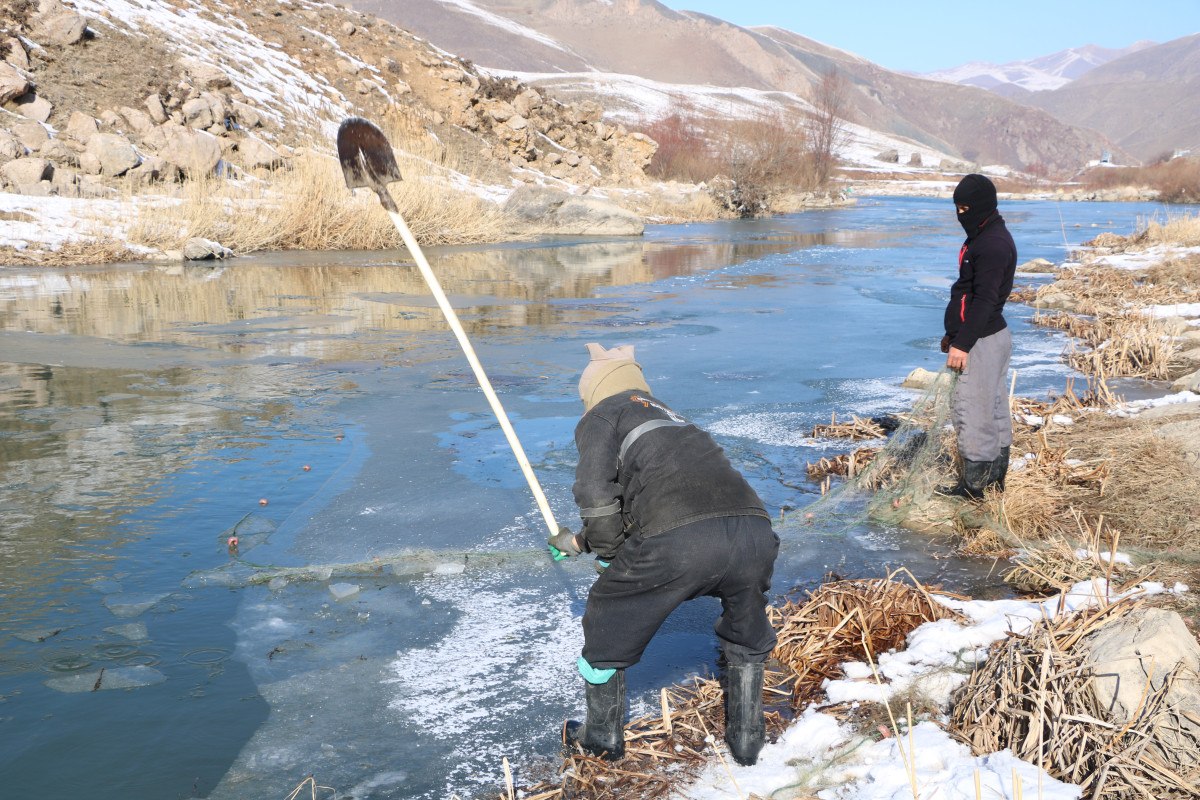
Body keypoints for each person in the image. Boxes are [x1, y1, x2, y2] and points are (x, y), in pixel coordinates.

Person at [548, 343, 780, 766]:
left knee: (607, 609)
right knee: (746, 626)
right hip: (755, 533)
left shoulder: (602, 414)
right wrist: (581, 542)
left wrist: (609, 554)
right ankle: (748, 740)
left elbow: (598, 497)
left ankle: (600, 738)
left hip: (683, 542)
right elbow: (661, 497)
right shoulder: (673, 418)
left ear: (593, 390)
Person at [939, 174, 1018, 498]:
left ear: (982, 206)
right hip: (988, 337)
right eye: (957, 208)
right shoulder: (984, 234)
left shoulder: (992, 244)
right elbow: (970, 295)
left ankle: (973, 488)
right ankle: (994, 480)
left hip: (983, 341)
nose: (961, 215)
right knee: (993, 406)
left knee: (971, 408)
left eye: (965, 208)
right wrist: (953, 334)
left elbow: (984, 300)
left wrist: (962, 343)